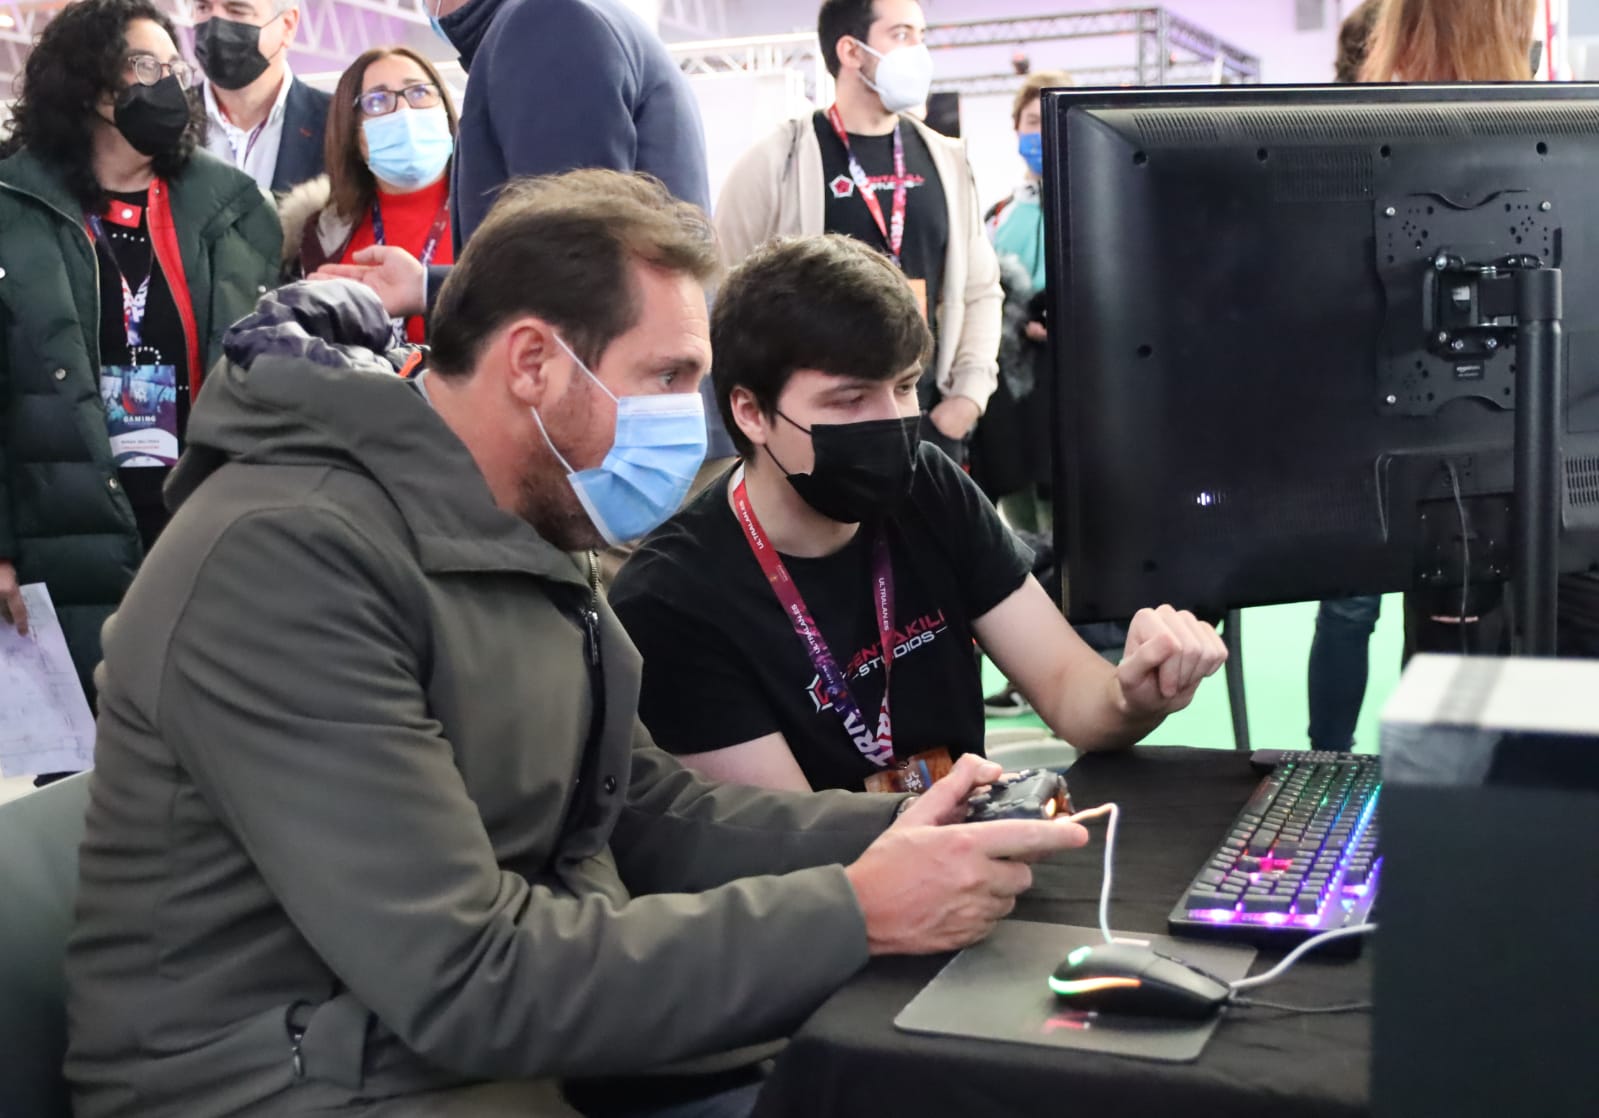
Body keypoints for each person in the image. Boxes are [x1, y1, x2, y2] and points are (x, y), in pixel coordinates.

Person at [63, 170, 1091, 1118]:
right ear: (532, 363)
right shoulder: (287, 561)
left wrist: (901, 831)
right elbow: (466, 975)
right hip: (293, 1086)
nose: (690, 422)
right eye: (666, 376)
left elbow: (638, 808)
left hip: (471, 1050)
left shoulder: (515, 527)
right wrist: (854, 911)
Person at [609, 234, 1227, 794]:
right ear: (751, 413)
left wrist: (1133, 695)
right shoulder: (675, 599)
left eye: (904, 387)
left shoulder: (929, 488)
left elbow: (1070, 688)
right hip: (848, 879)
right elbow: (791, 838)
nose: (892, 422)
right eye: (850, 399)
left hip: (965, 848)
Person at [0, 0, 280, 714]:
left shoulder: (233, 208)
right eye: (146, 66)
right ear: (93, 85)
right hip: (60, 531)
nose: (171, 84)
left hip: (204, 529)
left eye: (175, 68)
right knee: (93, 751)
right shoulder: (13, 208)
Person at [1307, 0, 1537, 750]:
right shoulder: (1358, 147)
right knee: (1360, 612)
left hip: (1490, 449)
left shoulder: (1533, 133)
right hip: (1396, 435)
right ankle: (1329, 756)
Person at [713, 0, 1002, 464]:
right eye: (902, 35)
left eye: (922, 36)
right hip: (820, 437)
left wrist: (966, 399)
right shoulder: (778, 162)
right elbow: (724, 299)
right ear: (851, 51)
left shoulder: (947, 160)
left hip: (928, 425)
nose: (919, 52)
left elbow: (981, 289)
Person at [279, 46, 458, 344]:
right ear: (353, 132)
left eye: (419, 92)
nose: (404, 111)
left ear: (446, 109)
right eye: (377, 101)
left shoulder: (498, 210)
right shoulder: (323, 234)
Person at [191, 0, 331, 195]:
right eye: (203, 8)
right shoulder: (166, 119)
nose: (215, 27)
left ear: (287, 25)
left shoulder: (337, 123)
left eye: (237, 10)